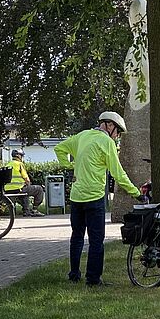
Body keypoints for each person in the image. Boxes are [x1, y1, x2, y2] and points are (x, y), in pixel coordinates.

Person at [55, 111, 140, 286]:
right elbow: (118, 174)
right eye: (118, 132)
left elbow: (59, 148)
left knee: (77, 236)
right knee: (96, 240)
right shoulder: (107, 142)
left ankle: (74, 274)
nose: (117, 136)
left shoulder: (82, 136)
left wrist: (69, 166)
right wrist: (136, 193)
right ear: (110, 125)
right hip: (94, 198)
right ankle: (93, 279)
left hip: (76, 197)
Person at [5, 149, 45, 216]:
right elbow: (26, 179)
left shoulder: (8, 165)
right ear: (18, 156)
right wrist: (28, 184)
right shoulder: (19, 164)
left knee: (25, 192)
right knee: (39, 189)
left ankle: (26, 211)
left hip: (8, 190)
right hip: (19, 189)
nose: (22, 157)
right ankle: (34, 210)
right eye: (21, 156)